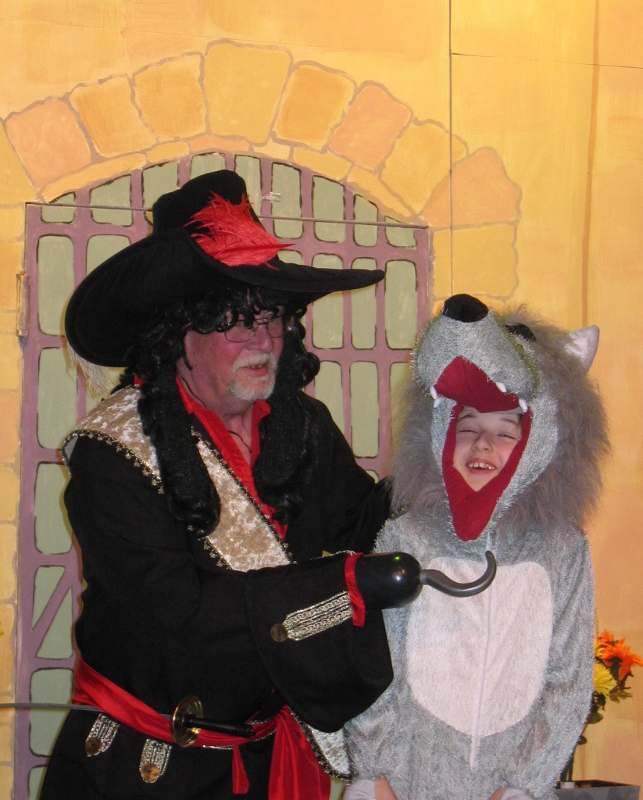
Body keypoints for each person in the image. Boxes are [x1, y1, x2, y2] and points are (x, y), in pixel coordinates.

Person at [40, 170, 406, 800]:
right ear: (177, 334)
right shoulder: (111, 453)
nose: (265, 341)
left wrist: (442, 470)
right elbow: (182, 610)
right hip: (145, 770)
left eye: (274, 318)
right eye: (239, 323)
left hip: (269, 760)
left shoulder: (303, 423)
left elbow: (360, 522)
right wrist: (340, 586)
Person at [345, 294, 610, 800]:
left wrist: (522, 786)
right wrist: (377, 772)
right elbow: (375, 663)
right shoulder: (406, 538)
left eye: (505, 433)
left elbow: (567, 681)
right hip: (405, 785)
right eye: (468, 429)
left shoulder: (563, 552)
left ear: (539, 443)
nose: (483, 445)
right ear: (440, 434)